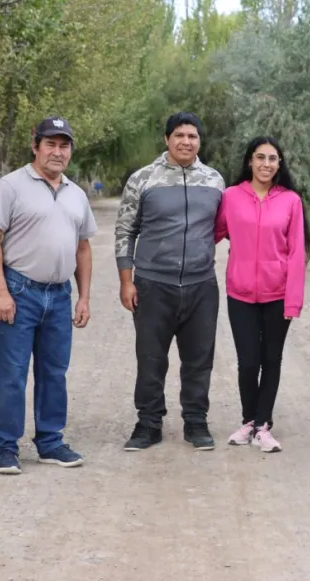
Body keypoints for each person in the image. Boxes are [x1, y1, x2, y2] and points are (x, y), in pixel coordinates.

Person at [0, 116, 97, 474]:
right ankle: (3, 446)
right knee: (11, 372)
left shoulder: (76, 194)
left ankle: (50, 441)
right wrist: (0, 290)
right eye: (51, 144)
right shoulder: (11, 186)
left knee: (54, 372)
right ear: (36, 146)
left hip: (59, 296)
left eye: (64, 146)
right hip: (19, 290)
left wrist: (84, 297)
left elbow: (83, 249)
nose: (57, 152)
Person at [115, 112, 225, 451]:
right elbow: (125, 230)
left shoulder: (214, 181)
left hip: (201, 285)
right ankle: (148, 424)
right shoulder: (143, 179)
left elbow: (222, 229)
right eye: (179, 135)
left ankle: (196, 422)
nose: (186, 142)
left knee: (199, 359)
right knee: (150, 358)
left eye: (192, 136)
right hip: (152, 284)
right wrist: (126, 281)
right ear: (166, 139)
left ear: (199, 141)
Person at [216, 137, 309, 453]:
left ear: (279, 164)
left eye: (272, 158)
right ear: (249, 161)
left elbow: (297, 252)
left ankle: (263, 424)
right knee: (247, 362)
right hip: (239, 292)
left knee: (271, 359)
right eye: (260, 157)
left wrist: (293, 299)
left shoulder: (290, 201)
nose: (266, 164)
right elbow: (211, 233)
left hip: (277, 294)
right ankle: (248, 421)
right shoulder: (230, 197)